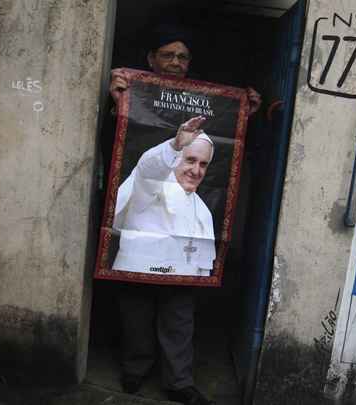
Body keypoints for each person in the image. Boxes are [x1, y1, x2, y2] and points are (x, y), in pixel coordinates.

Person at [106, 25, 262, 405]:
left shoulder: (200, 206)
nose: (176, 62)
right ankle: (135, 370)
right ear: (150, 59)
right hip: (141, 253)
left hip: (181, 263)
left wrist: (245, 113)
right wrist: (120, 100)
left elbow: (225, 134)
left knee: (179, 317)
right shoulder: (150, 175)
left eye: (183, 56)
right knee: (137, 315)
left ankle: (178, 382)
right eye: (167, 55)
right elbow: (146, 169)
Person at [113, 116, 216, 277]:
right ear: (176, 158)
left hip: (178, 291)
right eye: (190, 160)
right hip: (137, 284)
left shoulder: (204, 213)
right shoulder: (150, 187)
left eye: (203, 164)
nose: (196, 171)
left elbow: (204, 264)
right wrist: (175, 146)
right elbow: (148, 169)